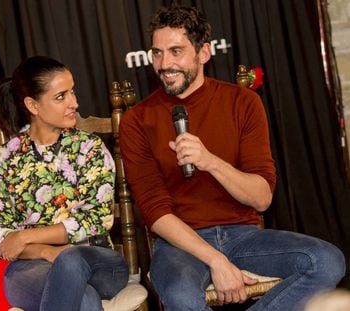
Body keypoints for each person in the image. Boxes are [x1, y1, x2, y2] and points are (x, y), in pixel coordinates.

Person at [119, 5, 346, 311]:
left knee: (328, 261)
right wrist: (216, 260)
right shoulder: (137, 119)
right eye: (157, 53)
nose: (164, 64)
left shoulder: (243, 102)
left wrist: (209, 161)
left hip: (243, 237)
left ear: (204, 53)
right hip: (179, 245)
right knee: (182, 297)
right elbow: (156, 214)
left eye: (176, 51)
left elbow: (262, 199)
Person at [0, 56, 129, 311]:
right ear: (32, 105)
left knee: (71, 261)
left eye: (72, 92)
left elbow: (95, 220)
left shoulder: (89, 149)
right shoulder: (3, 160)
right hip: (31, 265)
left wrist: (26, 236)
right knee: (83, 299)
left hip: (96, 260)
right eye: (60, 96)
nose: (74, 103)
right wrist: (45, 251)